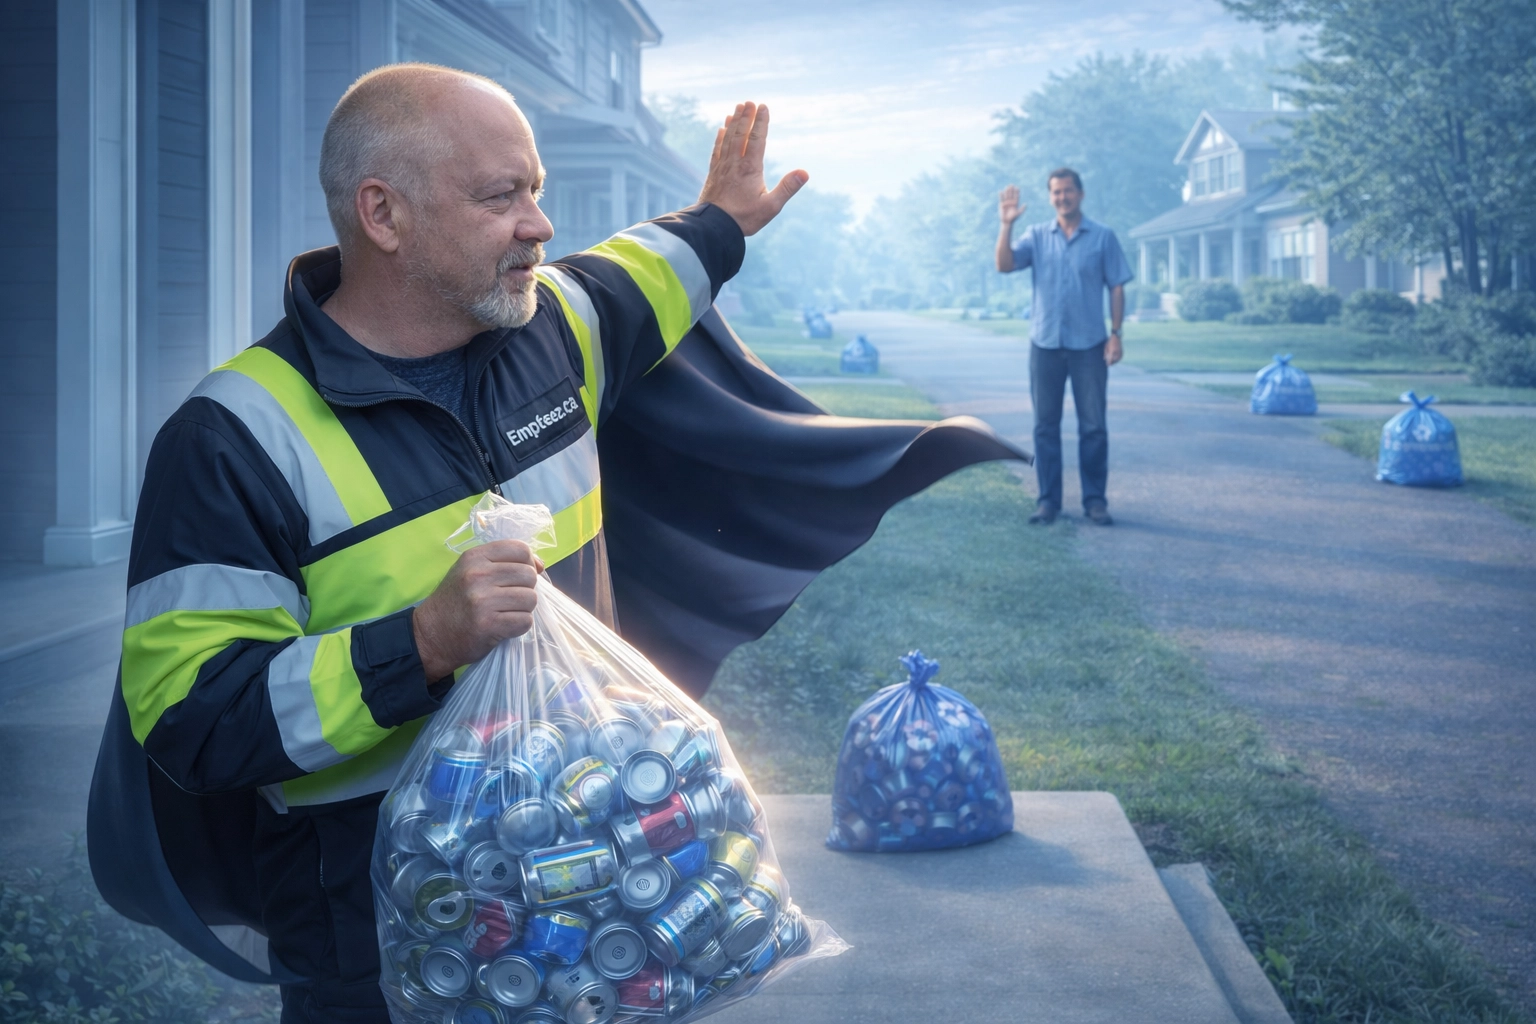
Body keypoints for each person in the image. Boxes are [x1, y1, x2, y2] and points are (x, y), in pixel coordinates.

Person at [87, 63, 1026, 1024]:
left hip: (602, 888)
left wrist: (720, 221)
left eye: (537, 190)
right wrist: (418, 645)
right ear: (384, 214)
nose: (539, 224)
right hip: (379, 946)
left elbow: (645, 273)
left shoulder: (555, 326)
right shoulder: (234, 440)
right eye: (502, 197)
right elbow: (190, 720)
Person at [995, 168, 1132, 525]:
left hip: (1090, 346)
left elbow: (1116, 286)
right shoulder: (1037, 236)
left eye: (1068, 191)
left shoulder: (1103, 237)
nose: (1062, 197)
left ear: (1081, 194)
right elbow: (1004, 265)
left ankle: (1095, 501)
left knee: (1093, 427)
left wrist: (1116, 333)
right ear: (1050, 197)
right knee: (1045, 426)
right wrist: (1006, 224)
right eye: (1056, 192)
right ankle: (1048, 502)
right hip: (1045, 344)